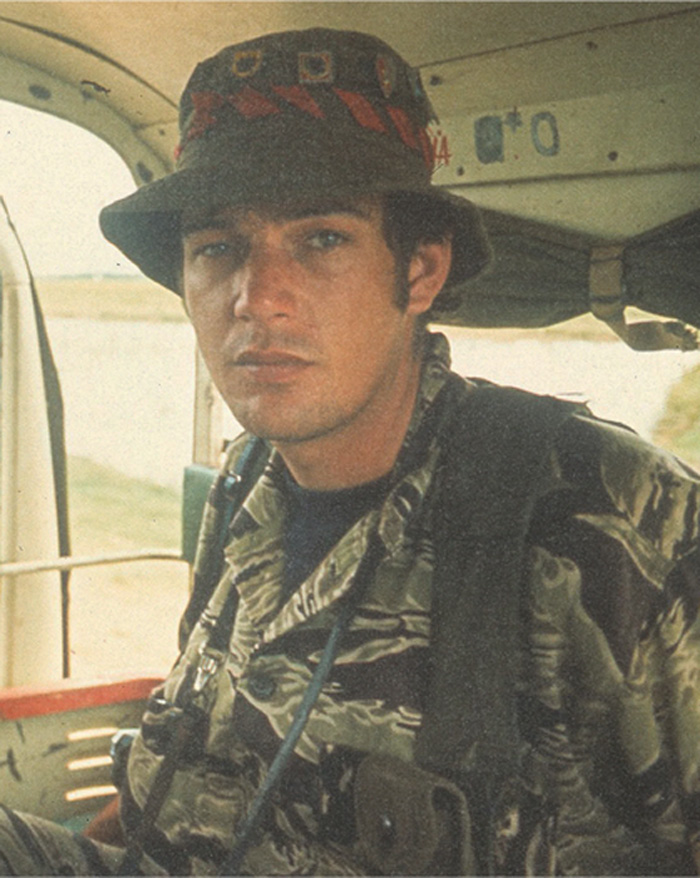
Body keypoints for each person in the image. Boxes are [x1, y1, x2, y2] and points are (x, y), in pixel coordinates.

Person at [2, 26, 700, 877]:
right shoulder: (246, 485)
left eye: (321, 239)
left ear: (421, 272)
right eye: (217, 248)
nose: (257, 297)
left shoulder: (616, 520)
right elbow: (182, 771)